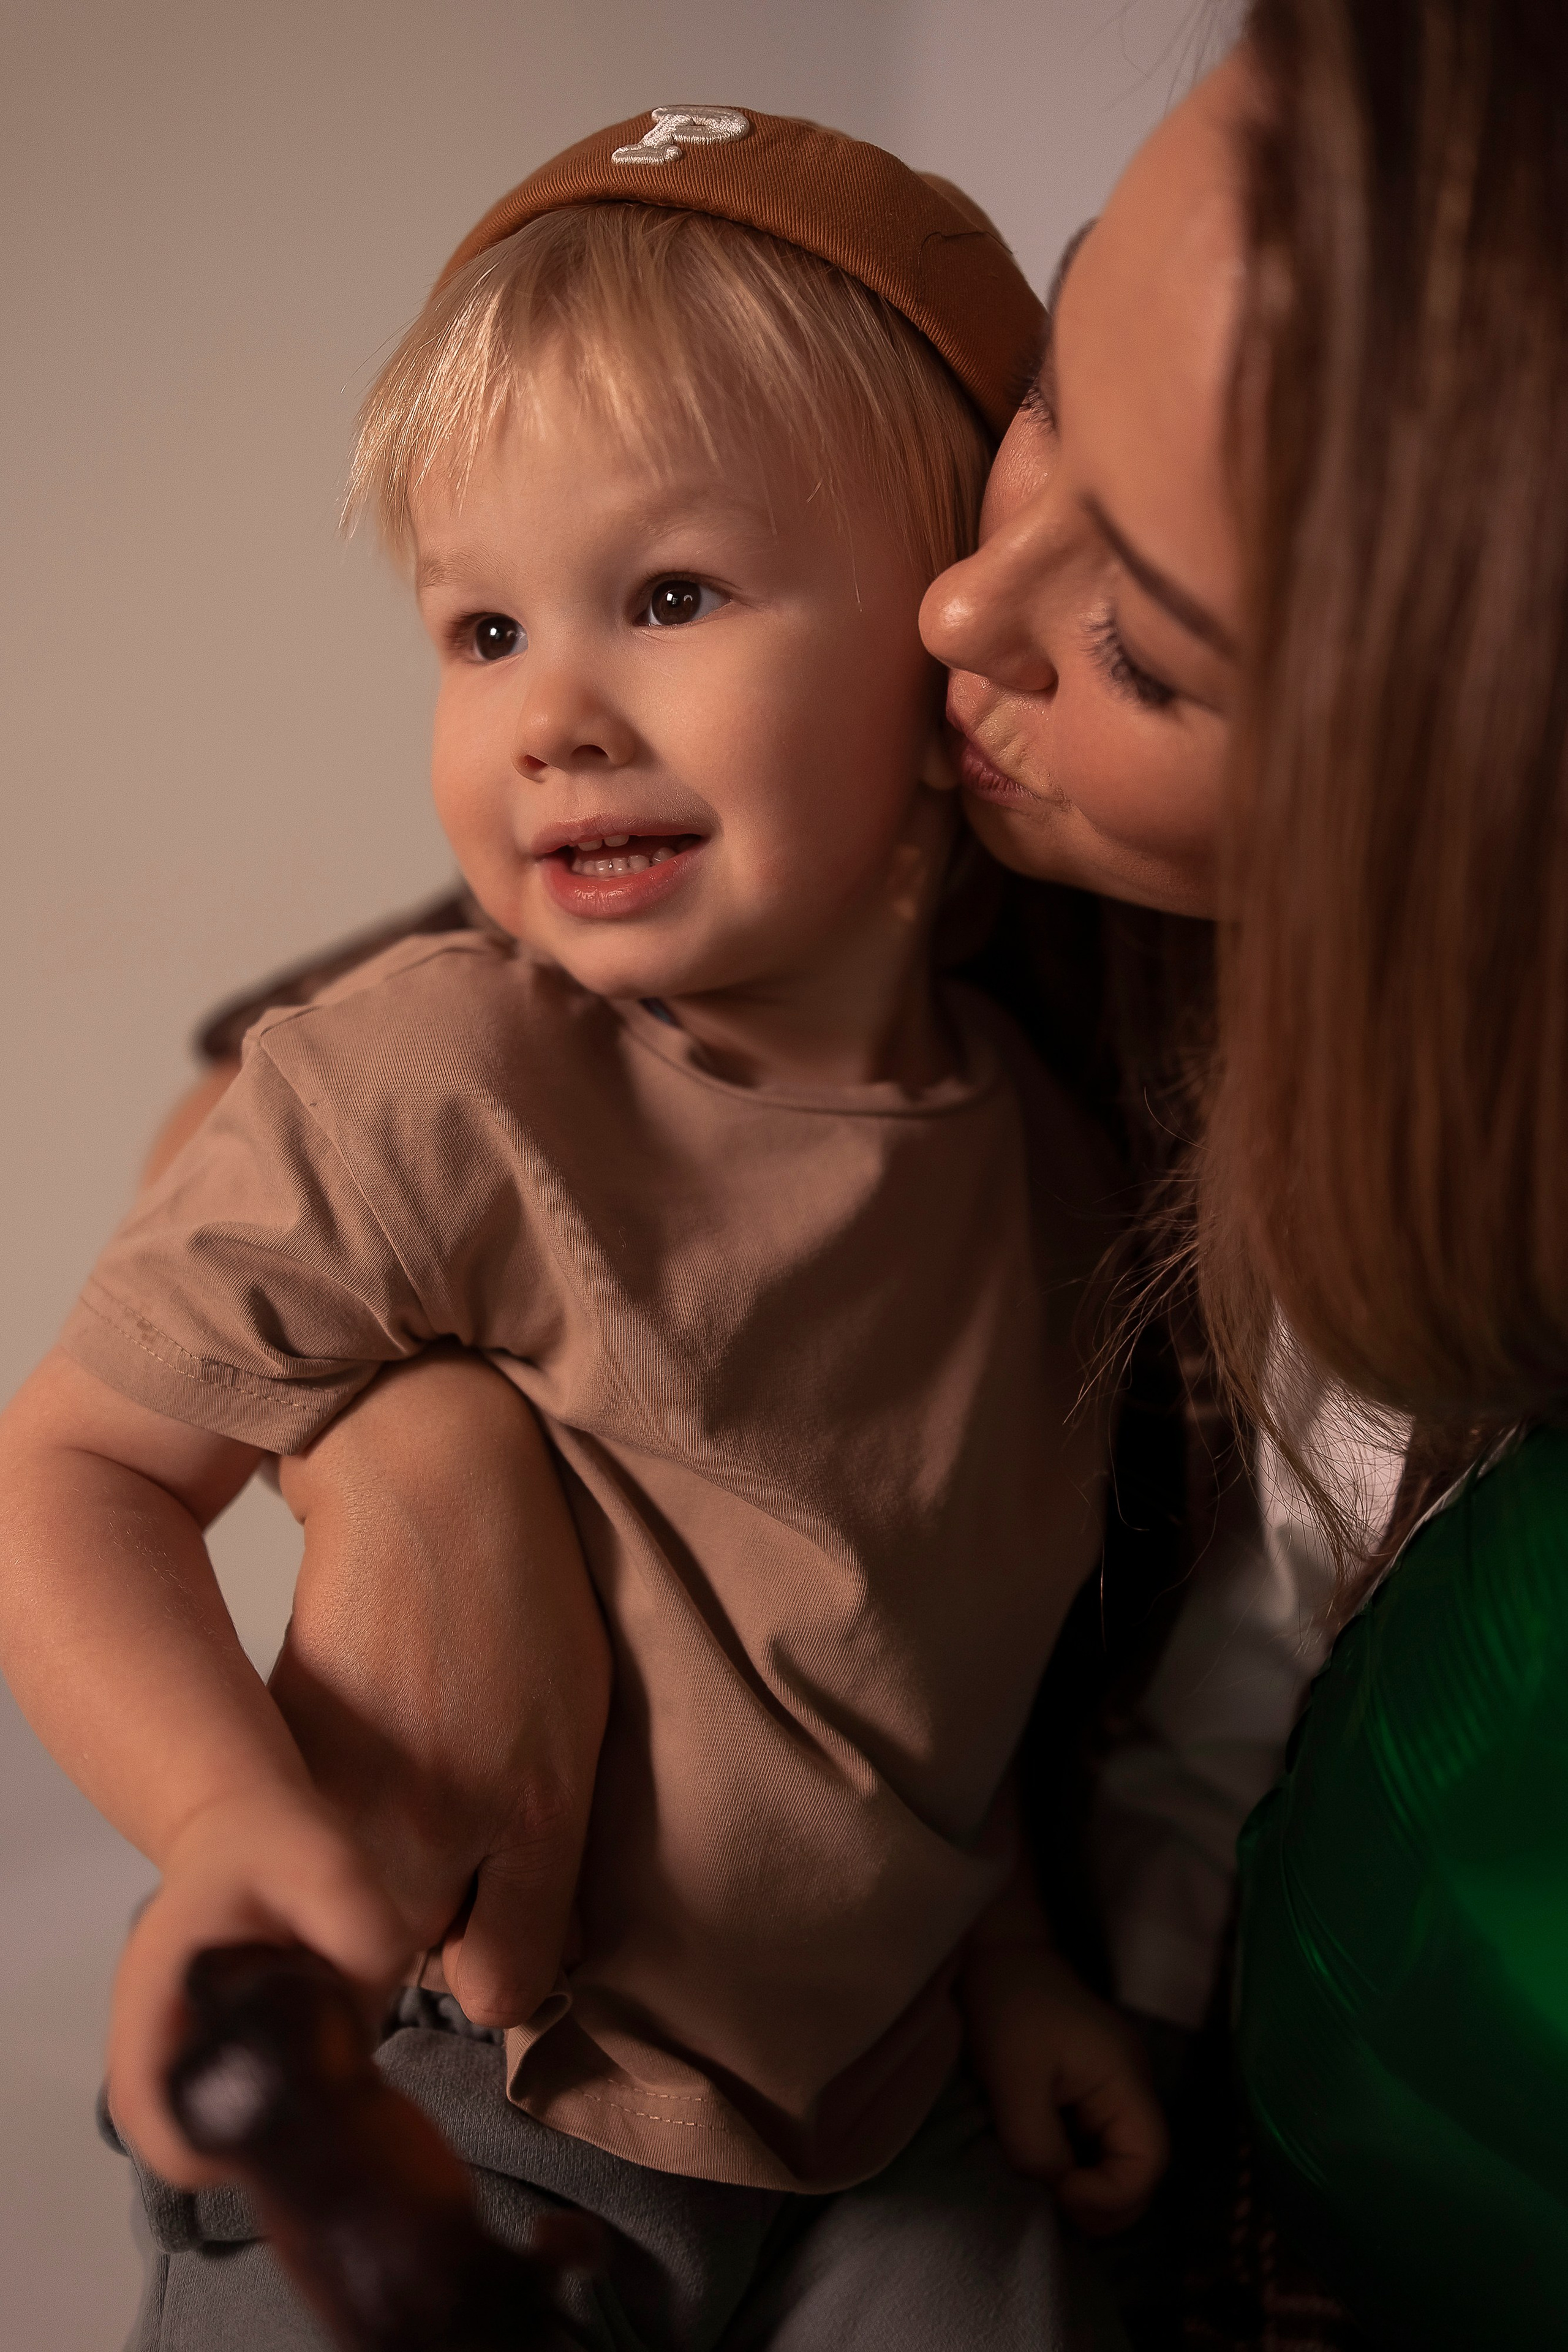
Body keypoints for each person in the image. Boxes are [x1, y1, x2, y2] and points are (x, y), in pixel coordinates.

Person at [0, 110, 1162, 2352]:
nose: (549, 713)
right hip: (464, 2066)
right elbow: (72, 1471)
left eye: (671, 595)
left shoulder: (1054, 1169)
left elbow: (933, 1658)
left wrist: (1016, 1962)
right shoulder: (437, 1079)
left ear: (953, 662)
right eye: (482, 627)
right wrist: (228, 1821)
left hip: (884, 2096)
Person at [923, 4, 1568, 2342]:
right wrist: (421, 1441)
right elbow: (409, 1062)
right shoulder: (986, 837)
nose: (962, 606)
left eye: (1141, 648)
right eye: (1052, 383)